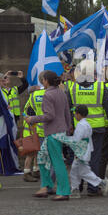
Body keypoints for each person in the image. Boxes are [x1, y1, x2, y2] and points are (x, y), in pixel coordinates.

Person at [67, 61, 108, 196]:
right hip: (98, 127)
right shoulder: (100, 86)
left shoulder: (73, 88)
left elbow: (69, 109)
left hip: (80, 128)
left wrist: (70, 124)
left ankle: (79, 187)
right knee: (95, 158)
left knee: (79, 158)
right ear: (92, 73)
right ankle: (93, 189)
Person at [26, 70, 72, 201]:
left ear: (46, 80)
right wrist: (68, 129)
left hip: (53, 132)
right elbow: (67, 113)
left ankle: (63, 191)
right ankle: (45, 186)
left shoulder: (48, 95)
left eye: (43, 80)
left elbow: (49, 116)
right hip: (60, 131)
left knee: (57, 163)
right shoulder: (61, 93)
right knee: (42, 158)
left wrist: (32, 119)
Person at [67, 105, 108, 198]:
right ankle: (75, 189)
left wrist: (66, 140)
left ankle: (100, 183)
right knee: (77, 171)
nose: (74, 115)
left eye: (75, 113)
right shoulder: (87, 124)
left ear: (79, 114)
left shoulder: (80, 125)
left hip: (81, 151)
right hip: (85, 150)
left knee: (83, 172)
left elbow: (77, 139)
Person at [21, 85, 45, 182]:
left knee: (36, 151)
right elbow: (30, 119)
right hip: (31, 130)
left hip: (32, 130)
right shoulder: (32, 103)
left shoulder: (31, 101)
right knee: (30, 153)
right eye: (38, 90)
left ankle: (36, 170)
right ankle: (26, 172)